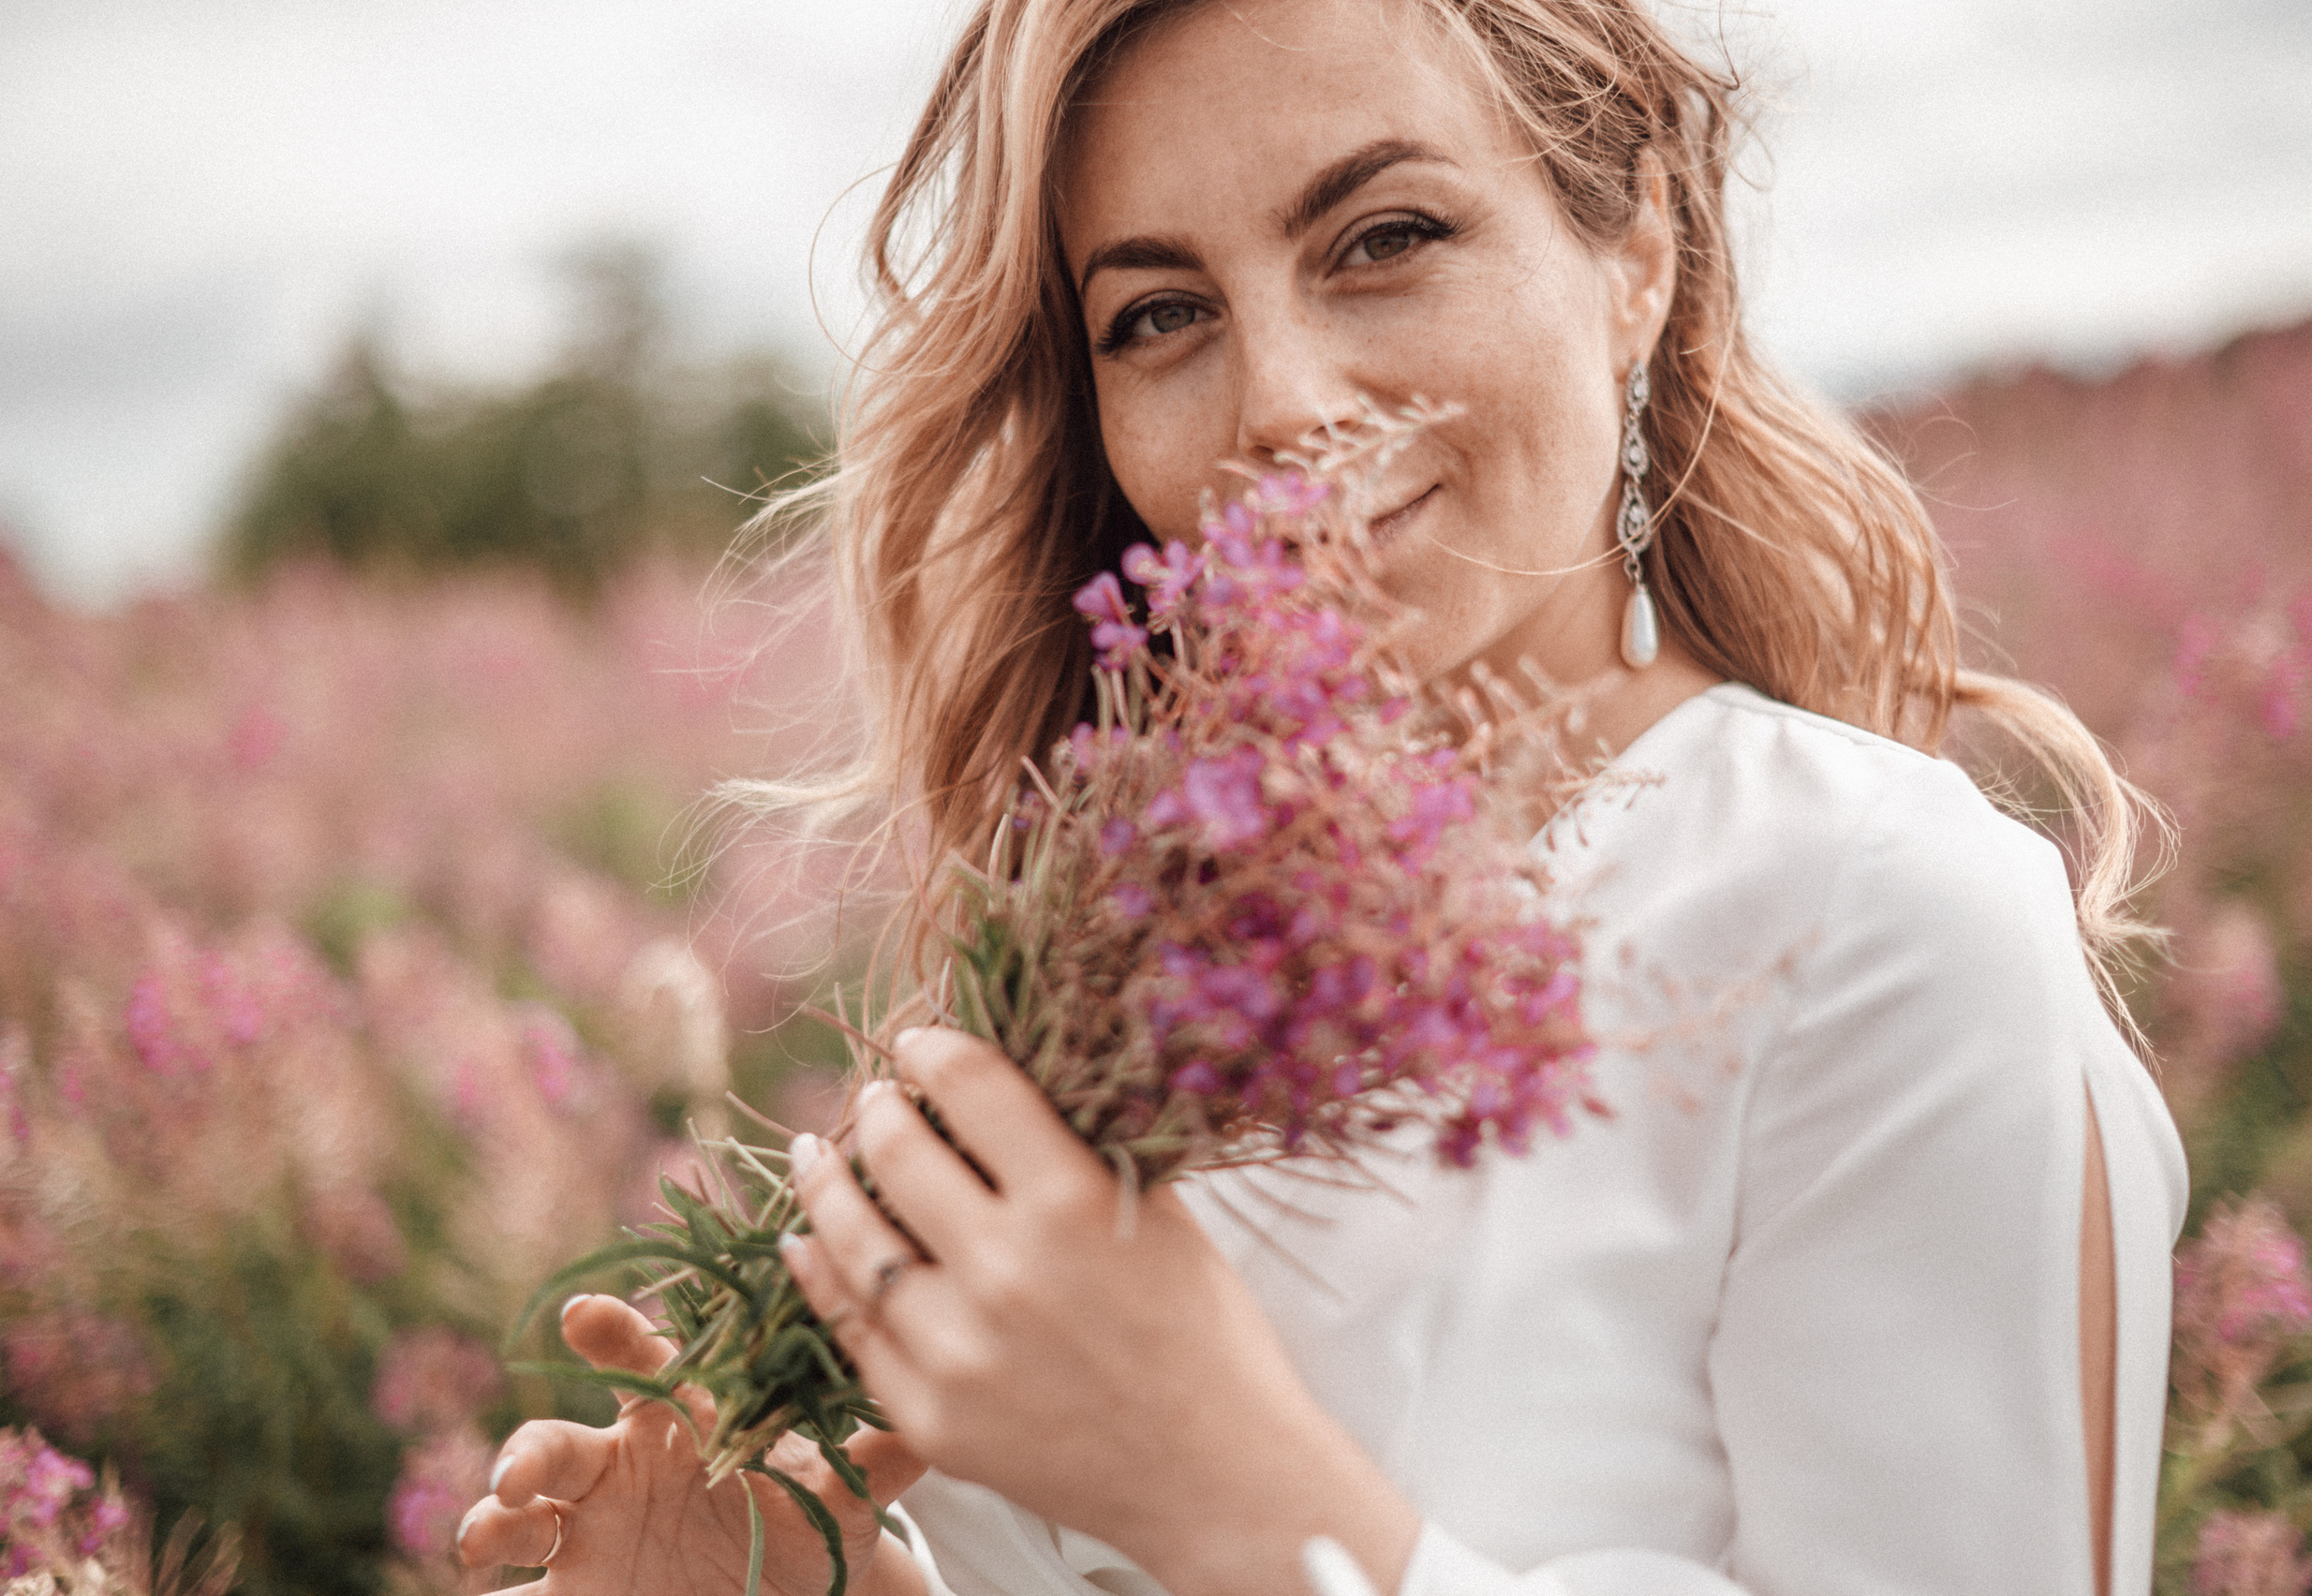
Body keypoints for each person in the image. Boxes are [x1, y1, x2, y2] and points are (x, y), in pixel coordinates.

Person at [456, 1, 2186, 1592]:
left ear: (1637, 247)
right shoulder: (1140, 967)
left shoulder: (1882, 921)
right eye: (1161, 315)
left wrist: (1231, 1489)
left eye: (1386, 237)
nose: (1278, 401)